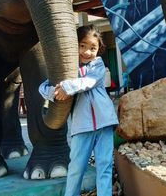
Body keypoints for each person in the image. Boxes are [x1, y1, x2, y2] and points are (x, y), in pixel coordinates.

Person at [39, 24, 118, 196]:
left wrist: (67, 86)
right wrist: (56, 93)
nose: (87, 52)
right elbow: (43, 87)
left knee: (105, 167)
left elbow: (87, 82)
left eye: (93, 48)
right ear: (74, 44)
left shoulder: (97, 65)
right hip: (81, 127)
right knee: (76, 169)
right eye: (83, 46)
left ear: (98, 50)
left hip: (105, 123)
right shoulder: (66, 67)